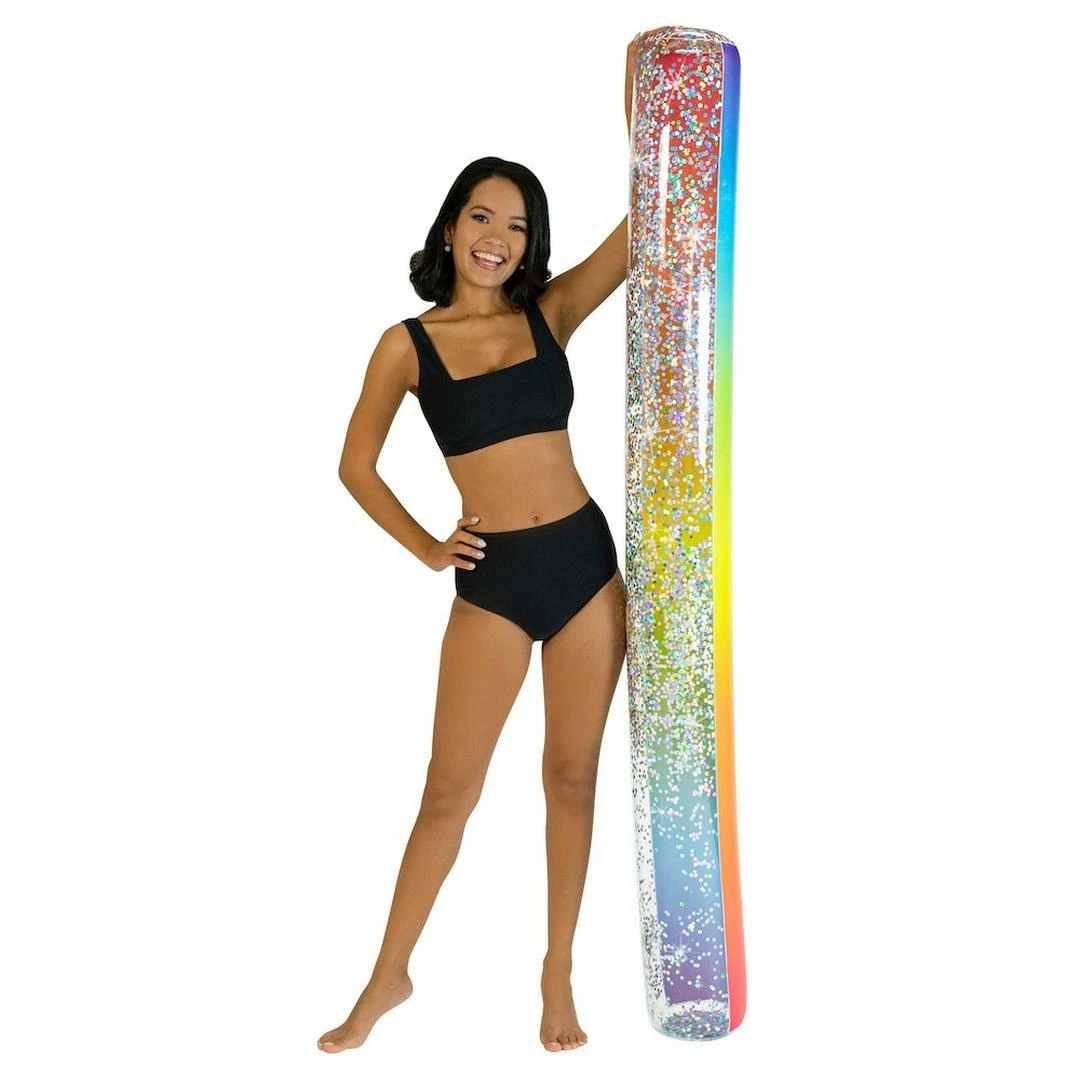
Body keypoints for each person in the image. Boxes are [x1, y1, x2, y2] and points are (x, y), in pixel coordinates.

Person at [317, 35, 642, 1056]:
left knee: (572, 778)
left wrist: (640, 104)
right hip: (495, 580)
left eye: (517, 224)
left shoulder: (551, 313)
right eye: (481, 217)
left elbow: (644, 226)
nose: (497, 238)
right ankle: (387, 977)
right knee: (448, 790)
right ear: (451, 226)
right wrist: (427, 548)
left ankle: (557, 972)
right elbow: (355, 465)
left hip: (585, 569)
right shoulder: (407, 345)